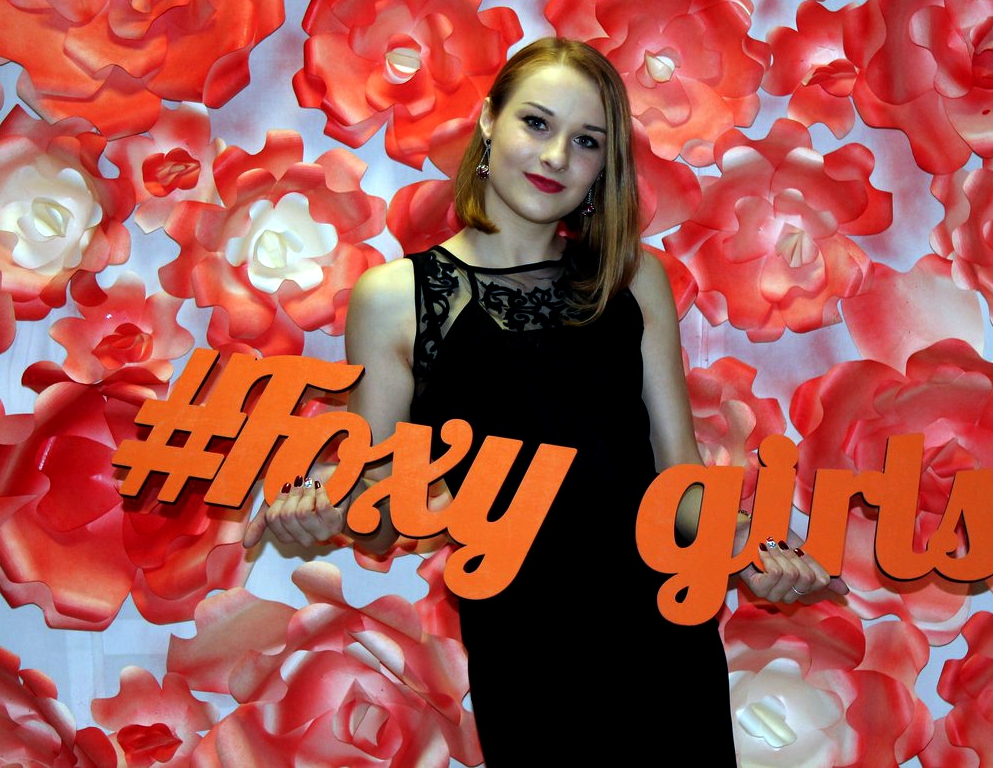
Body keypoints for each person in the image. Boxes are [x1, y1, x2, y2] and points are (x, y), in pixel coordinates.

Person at [243, 37, 843, 764]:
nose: (556, 155)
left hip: (662, 641)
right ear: (489, 120)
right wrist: (325, 512)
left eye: (585, 140)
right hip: (525, 652)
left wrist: (750, 544)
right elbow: (382, 507)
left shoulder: (633, 279)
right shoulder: (396, 299)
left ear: (602, 167)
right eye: (536, 122)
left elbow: (679, 479)